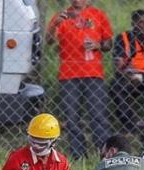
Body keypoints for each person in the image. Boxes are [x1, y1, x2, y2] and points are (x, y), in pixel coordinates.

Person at [45, 0, 113, 159]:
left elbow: (109, 43)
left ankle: (103, 153)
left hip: (94, 74)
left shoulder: (98, 15)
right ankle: (78, 155)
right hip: (68, 75)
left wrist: (98, 45)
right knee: (71, 117)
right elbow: (48, 41)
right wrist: (56, 24)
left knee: (98, 115)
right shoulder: (61, 16)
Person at [112, 9, 144, 135]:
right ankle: (129, 126)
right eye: (141, 22)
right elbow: (118, 64)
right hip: (128, 75)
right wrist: (129, 74)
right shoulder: (124, 37)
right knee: (116, 88)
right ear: (133, 23)